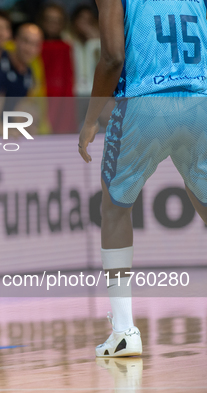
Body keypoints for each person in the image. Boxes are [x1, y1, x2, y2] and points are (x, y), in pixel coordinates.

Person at [78, 0, 207, 357]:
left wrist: (89, 120)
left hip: (145, 103)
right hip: (200, 99)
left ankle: (123, 331)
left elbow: (112, 59)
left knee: (115, 207)